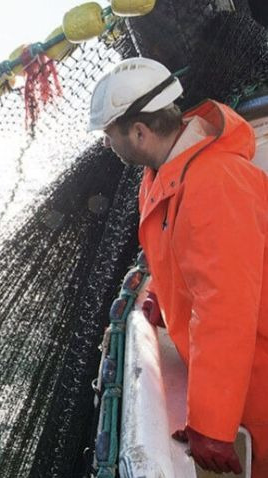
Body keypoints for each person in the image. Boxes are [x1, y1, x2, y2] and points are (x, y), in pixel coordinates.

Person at [88, 57, 268, 476]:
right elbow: (180, 259)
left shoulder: (214, 182)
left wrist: (211, 424)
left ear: (138, 131)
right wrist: (163, 304)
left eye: (108, 135)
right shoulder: (161, 175)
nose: (107, 145)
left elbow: (224, 306)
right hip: (242, 377)